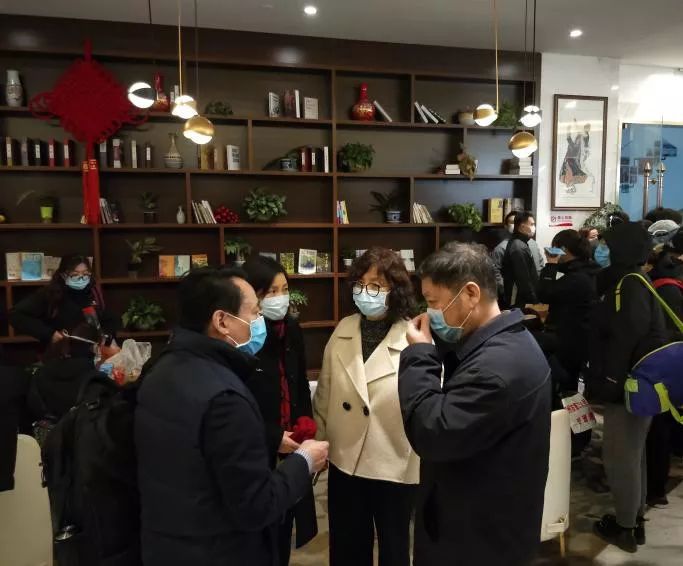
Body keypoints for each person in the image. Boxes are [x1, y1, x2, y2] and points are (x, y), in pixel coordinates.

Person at [135, 267, 329, 566]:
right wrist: (304, 461)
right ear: (222, 321)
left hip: (167, 540)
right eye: (254, 313)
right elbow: (256, 504)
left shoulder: (161, 369)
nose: (260, 321)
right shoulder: (224, 397)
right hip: (219, 549)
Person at [398, 243, 551, 566]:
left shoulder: (497, 368)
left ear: (470, 294)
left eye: (433, 302)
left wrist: (419, 355)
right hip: (479, 520)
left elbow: (432, 432)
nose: (429, 313)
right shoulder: (504, 341)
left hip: (477, 539)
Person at [314, 247, 419, 566]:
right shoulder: (343, 328)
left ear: (395, 290)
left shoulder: (414, 335)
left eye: (376, 285)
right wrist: (320, 442)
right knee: (347, 544)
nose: (365, 292)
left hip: (394, 460)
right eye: (360, 284)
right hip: (345, 457)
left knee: (394, 546)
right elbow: (325, 391)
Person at [588, 222, 669, 553]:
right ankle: (633, 521)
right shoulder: (637, 280)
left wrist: (609, 382)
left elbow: (624, 338)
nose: (601, 250)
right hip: (640, 382)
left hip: (628, 384)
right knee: (633, 454)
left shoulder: (629, 284)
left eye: (607, 245)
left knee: (619, 456)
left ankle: (624, 528)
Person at [242, 256, 317, 565]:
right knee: (258, 530)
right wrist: (273, 436)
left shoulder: (291, 328)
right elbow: (239, 403)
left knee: (284, 522)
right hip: (257, 446)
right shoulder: (245, 334)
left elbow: (298, 380)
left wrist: (305, 421)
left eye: (284, 289)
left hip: (291, 442)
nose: (280, 298)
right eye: (271, 292)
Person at [644, 225, 682, 507]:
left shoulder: (660, 280)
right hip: (670, 361)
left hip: (663, 361)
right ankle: (656, 487)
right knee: (662, 425)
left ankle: (655, 487)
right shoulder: (671, 284)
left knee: (660, 425)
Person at [9, 254, 119, 350]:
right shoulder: (49, 294)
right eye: (75, 275)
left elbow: (110, 319)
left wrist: (106, 336)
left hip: (92, 353)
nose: (81, 279)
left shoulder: (93, 291)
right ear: (63, 275)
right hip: (60, 354)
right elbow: (15, 315)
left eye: (86, 274)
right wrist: (49, 334)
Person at [536, 229, 599, 391]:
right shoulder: (591, 270)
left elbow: (544, 294)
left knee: (564, 385)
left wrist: (551, 264)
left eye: (554, 248)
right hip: (585, 337)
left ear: (563, 249)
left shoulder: (576, 277)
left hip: (568, 341)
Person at [28, 322, 102, 423]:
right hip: (81, 430)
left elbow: (34, 405)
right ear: (94, 348)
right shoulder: (95, 378)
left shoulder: (42, 372)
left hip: (47, 429)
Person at [493, 211, 544, 298]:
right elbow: (496, 272)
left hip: (535, 291)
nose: (515, 225)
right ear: (506, 226)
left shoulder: (533, 243)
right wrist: (505, 290)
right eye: (512, 222)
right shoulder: (504, 247)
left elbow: (540, 264)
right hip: (519, 295)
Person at [502, 211, 539, 308]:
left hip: (521, 298)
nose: (533, 227)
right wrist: (534, 300)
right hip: (519, 299)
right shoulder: (518, 247)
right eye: (531, 224)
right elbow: (523, 278)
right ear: (522, 227)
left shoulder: (520, 243)